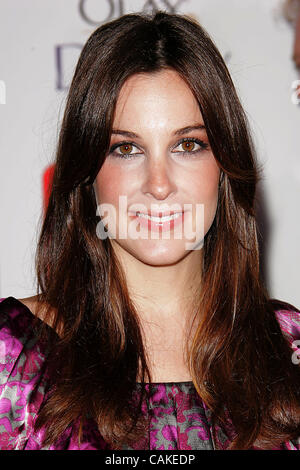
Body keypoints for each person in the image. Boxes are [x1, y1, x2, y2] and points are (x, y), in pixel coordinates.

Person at [0, 11, 299, 451]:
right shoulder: (13, 361)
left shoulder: (289, 350)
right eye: (126, 148)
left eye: (188, 145)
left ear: (224, 168)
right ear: (88, 175)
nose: (158, 185)